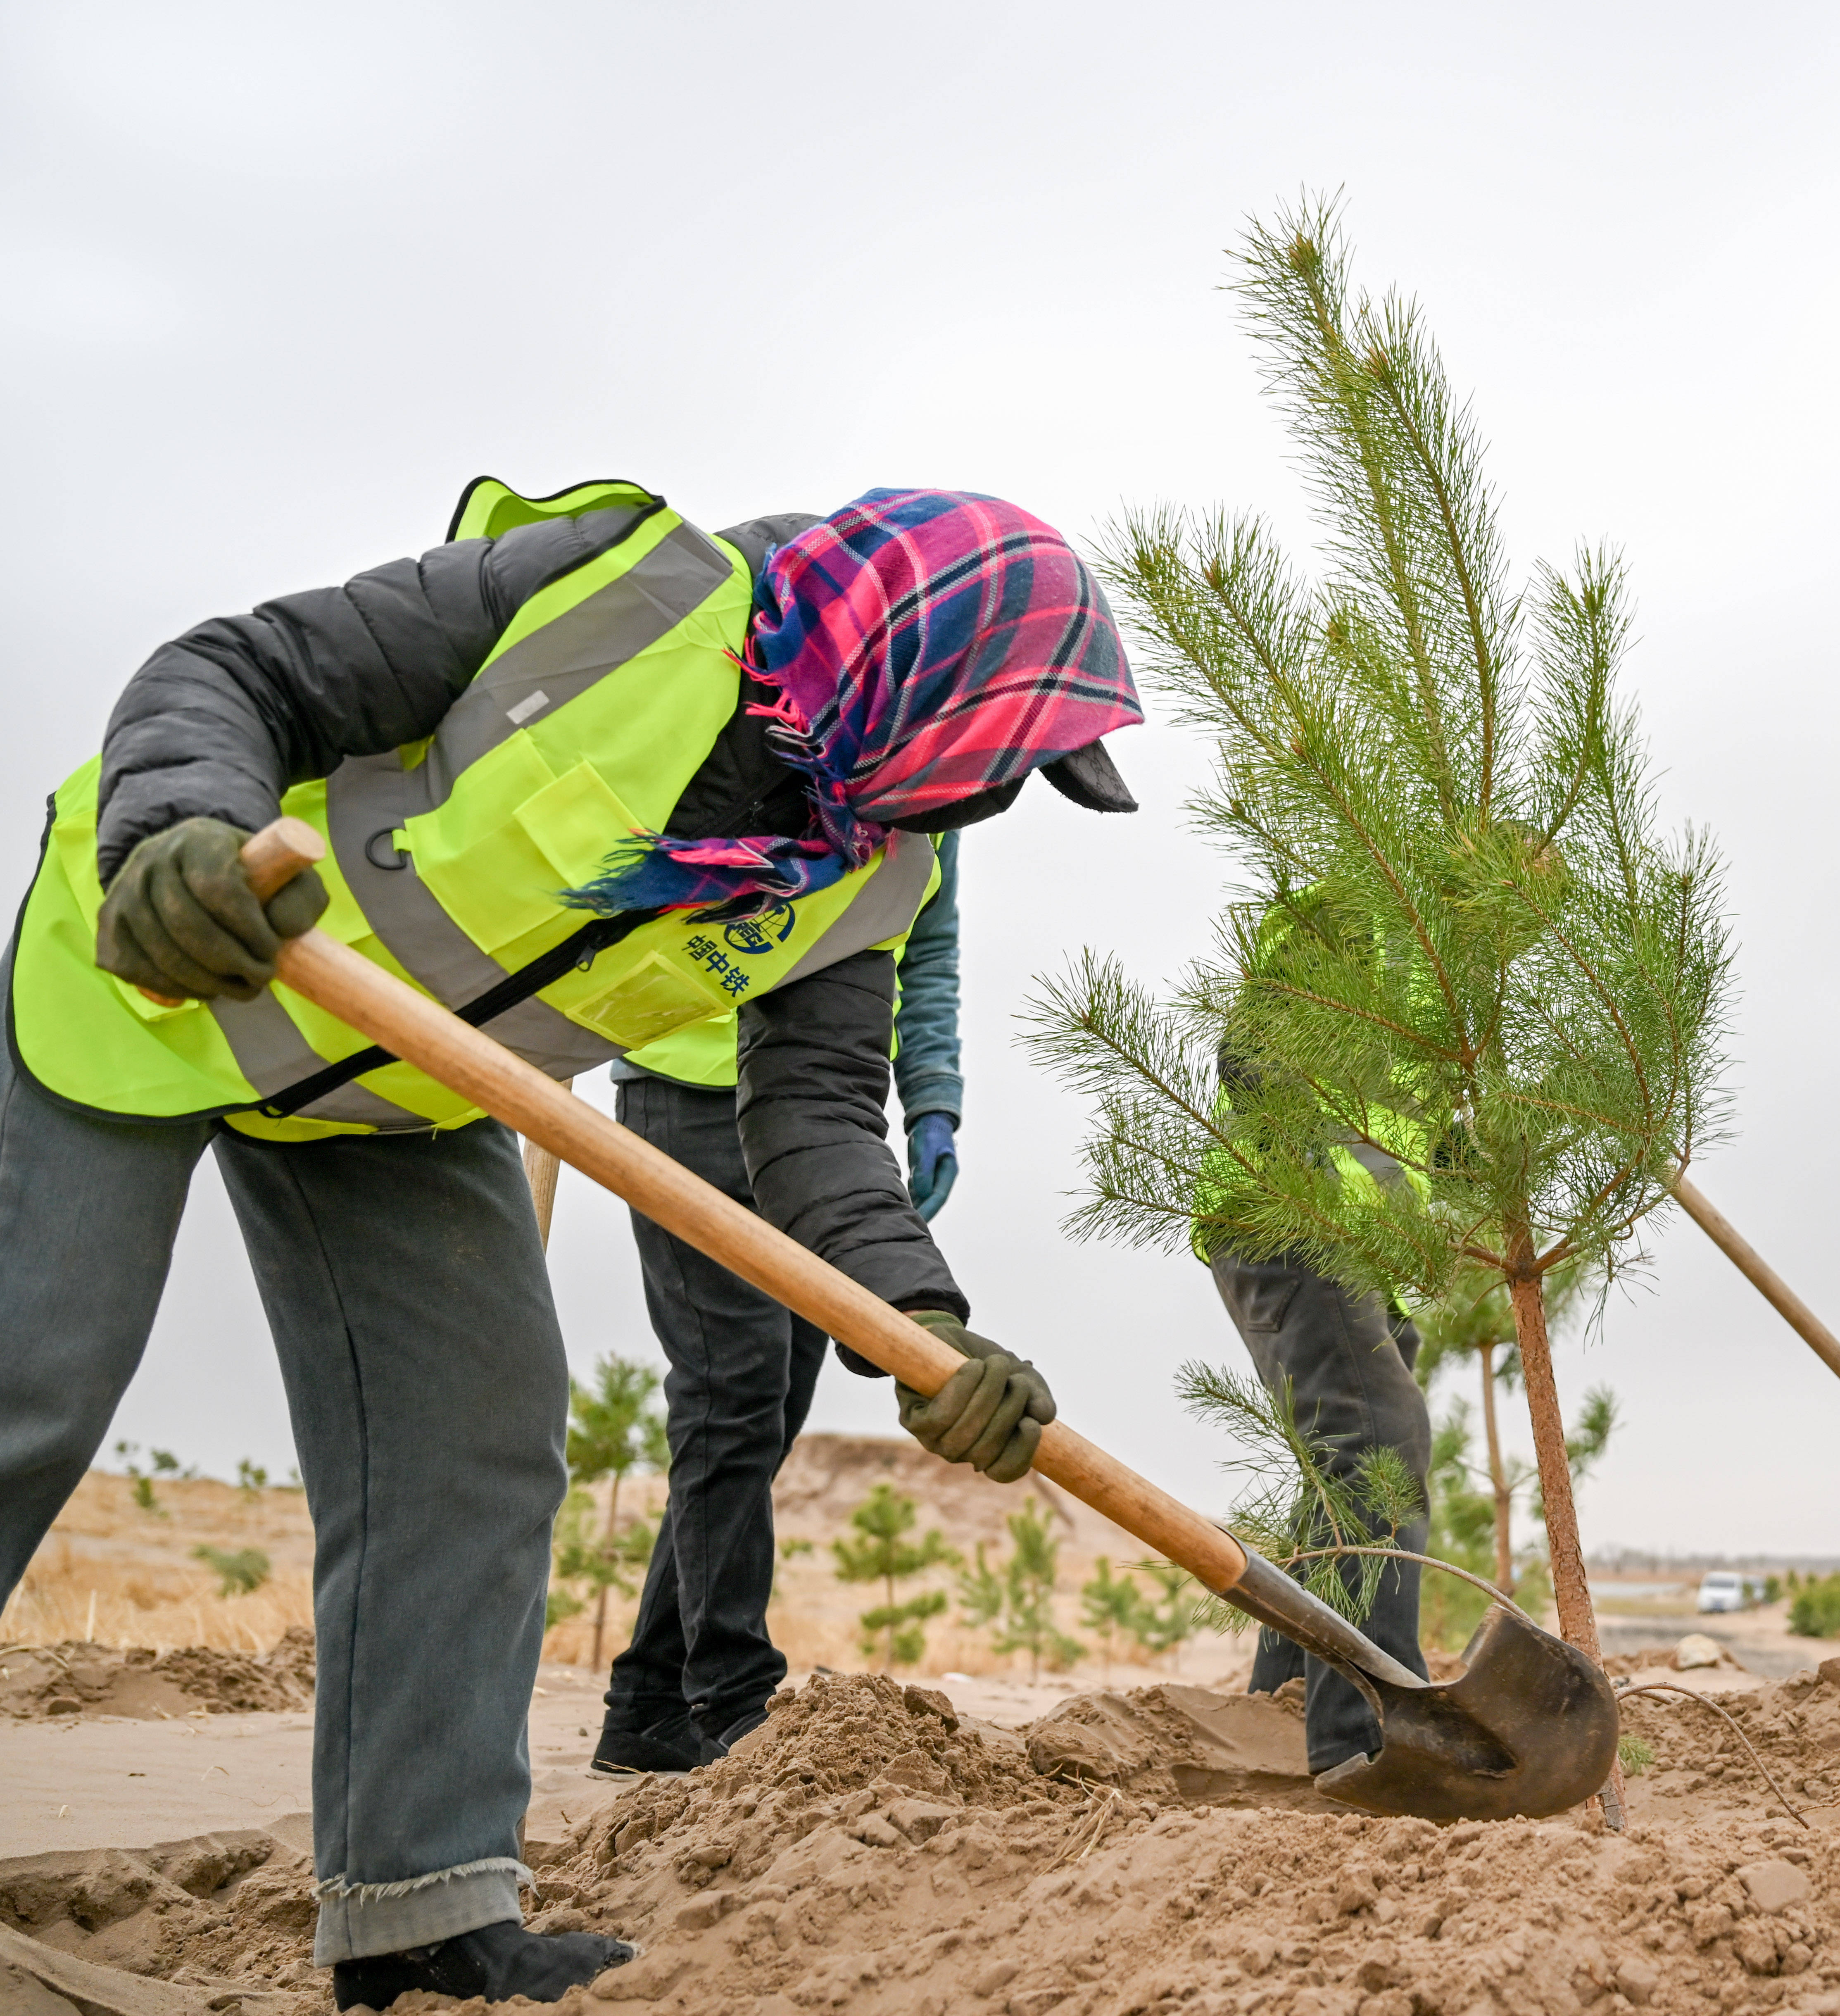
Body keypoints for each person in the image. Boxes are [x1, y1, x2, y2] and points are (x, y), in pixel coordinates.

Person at [0, 480, 1132, 2006]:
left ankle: (419, 1912)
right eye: (996, 759)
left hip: (395, 1095)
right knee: (34, 1374)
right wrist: (174, 827)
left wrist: (926, 1328)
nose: (982, 804)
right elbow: (236, 666)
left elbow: (811, 1129)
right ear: (917, 660)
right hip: (160, 957)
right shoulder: (619, 593)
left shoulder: (870, 870)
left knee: (475, 1440)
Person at [591, 791, 1120, 1776]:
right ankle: (731, 1700)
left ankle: (647, 1703)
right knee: (731, 1390)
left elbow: (928, 945)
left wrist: (932, 1099)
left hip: (820, 1120)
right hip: (689, 1082)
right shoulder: (790, 734)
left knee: (772, 1404)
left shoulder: (935, 801)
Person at [1193, 899, 1436, 1779]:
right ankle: (1368, 1737)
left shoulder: (1447, 981)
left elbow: (1419, 1125)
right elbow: (1253, 1054)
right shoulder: (1361, 907)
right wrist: (1311, 1202)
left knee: (1339, 1477)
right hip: (1301, 1217)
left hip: (1376, 1245)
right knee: (1378, 1454)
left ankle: (1285, 1702)